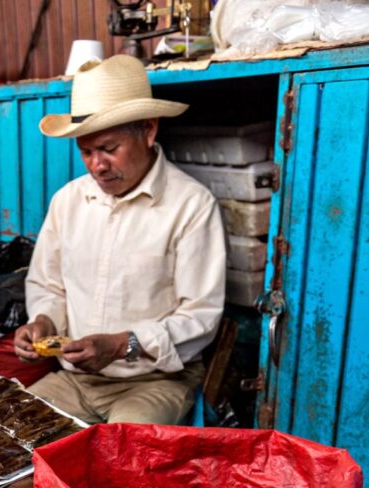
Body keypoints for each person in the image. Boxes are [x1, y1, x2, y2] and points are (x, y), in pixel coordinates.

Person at [14, 54, 227, 426]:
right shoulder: (68, 201)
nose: (97, 165)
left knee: (119, 457)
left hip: (154, 382)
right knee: (6, 431)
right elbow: (48, 285)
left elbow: (200, 317)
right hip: (77, 381)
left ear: (148, 130)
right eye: (86, 152)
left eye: (109, 149)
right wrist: (44, 322)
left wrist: (121, 345)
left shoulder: (191, 206)